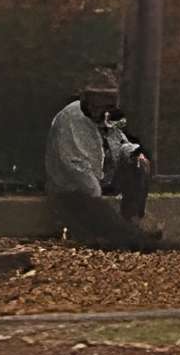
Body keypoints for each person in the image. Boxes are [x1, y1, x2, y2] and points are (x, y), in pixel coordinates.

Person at [44, 69, 162, 251]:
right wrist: (98, 203)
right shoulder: (73, 116)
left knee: (138, 163)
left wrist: (135, 154)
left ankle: (133, 220)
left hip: (101, 179)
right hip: (72, 190)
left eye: (108, 97)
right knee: (108, 229)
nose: (102, 103)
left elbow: (119, 141)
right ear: (86, 96)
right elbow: (76, 166)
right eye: (97, 97)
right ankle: (125, 235)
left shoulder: (108, 115)